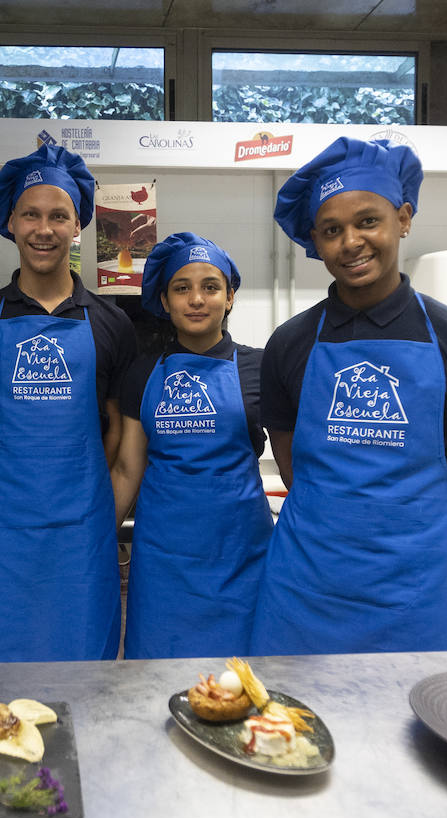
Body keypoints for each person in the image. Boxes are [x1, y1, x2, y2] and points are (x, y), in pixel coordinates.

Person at [254, 137, 447, 655]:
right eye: (332, 230)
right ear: (315, 240)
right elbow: (296, 472)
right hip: (303, 591)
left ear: (403, 218)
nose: (351, 242)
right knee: (287, 729)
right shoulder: (289, 344)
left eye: (368, 221)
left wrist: (425, 551)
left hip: (413, 603)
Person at [0, 144, 138, 662]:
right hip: (2, 537)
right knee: (1, 675)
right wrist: (6, 496)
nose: (43, 229)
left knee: (85, 678)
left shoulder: (113, 325)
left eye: (58, 216)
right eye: (31, 214)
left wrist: (97, 515)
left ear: (78, 226)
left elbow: (117, 436)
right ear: (10, 222)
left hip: (84, 536)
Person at [111, 233, 272, 658]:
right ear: (165, 301)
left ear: (230, 296)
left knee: (240, 686)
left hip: (241, 559)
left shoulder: (260, 368)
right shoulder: (143, 374)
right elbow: (128, 469)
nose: (196, 299)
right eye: (182, 288)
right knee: (157, 686)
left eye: (210, 287)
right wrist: (92, 542)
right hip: (165, 564)